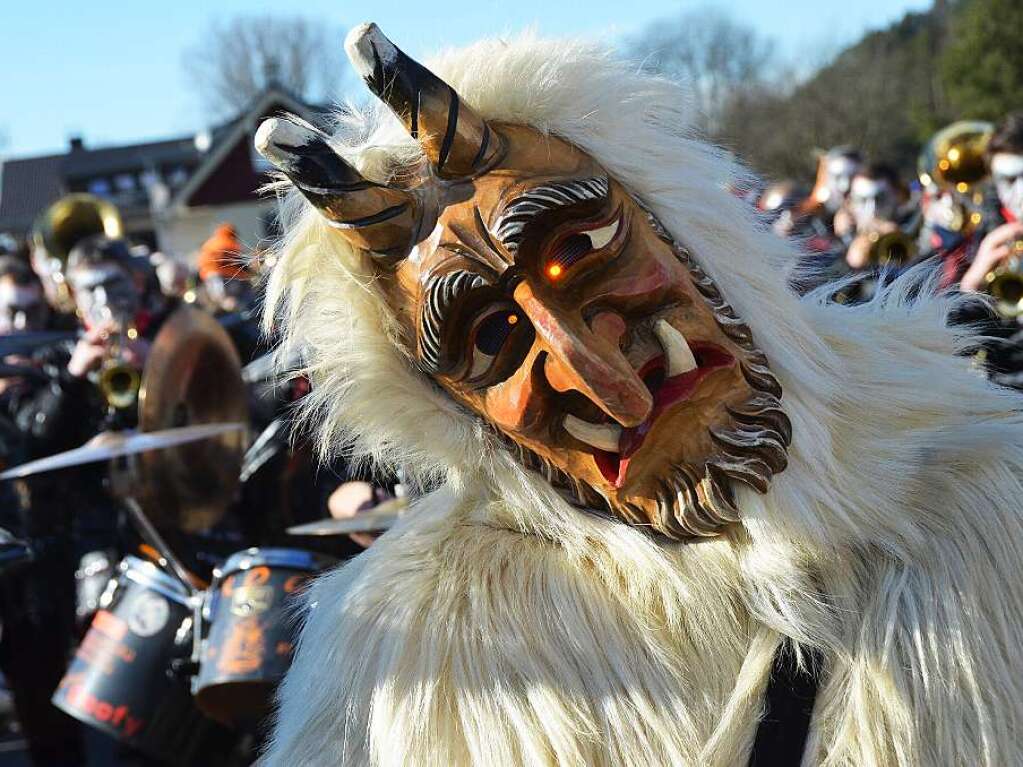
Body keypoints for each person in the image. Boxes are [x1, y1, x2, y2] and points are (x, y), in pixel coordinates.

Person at [258, 24, 1023, 766]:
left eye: (576, 248)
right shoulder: (415, 673)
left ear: (685, 232)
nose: (604, 381)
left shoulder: (981, 478)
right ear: (458, 414)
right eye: (491, 340)